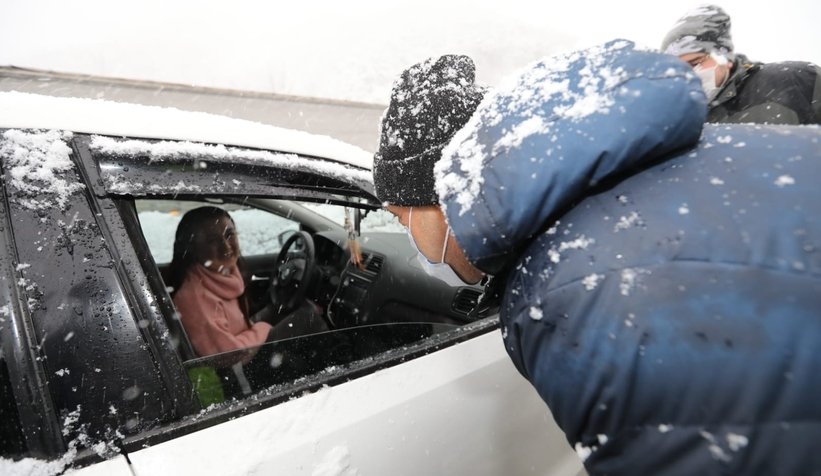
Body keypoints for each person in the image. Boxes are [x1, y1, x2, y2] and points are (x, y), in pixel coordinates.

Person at [374, 42, 821, 475]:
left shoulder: (570, 298)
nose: (409, 240)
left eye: (401, 218)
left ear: (444, 196)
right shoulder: (623, 187)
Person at [661, 4, 821, 124]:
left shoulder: (794, 80)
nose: (687, 75)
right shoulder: (682, 124)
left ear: (722, 55)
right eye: (677, 69)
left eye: (694, 63)